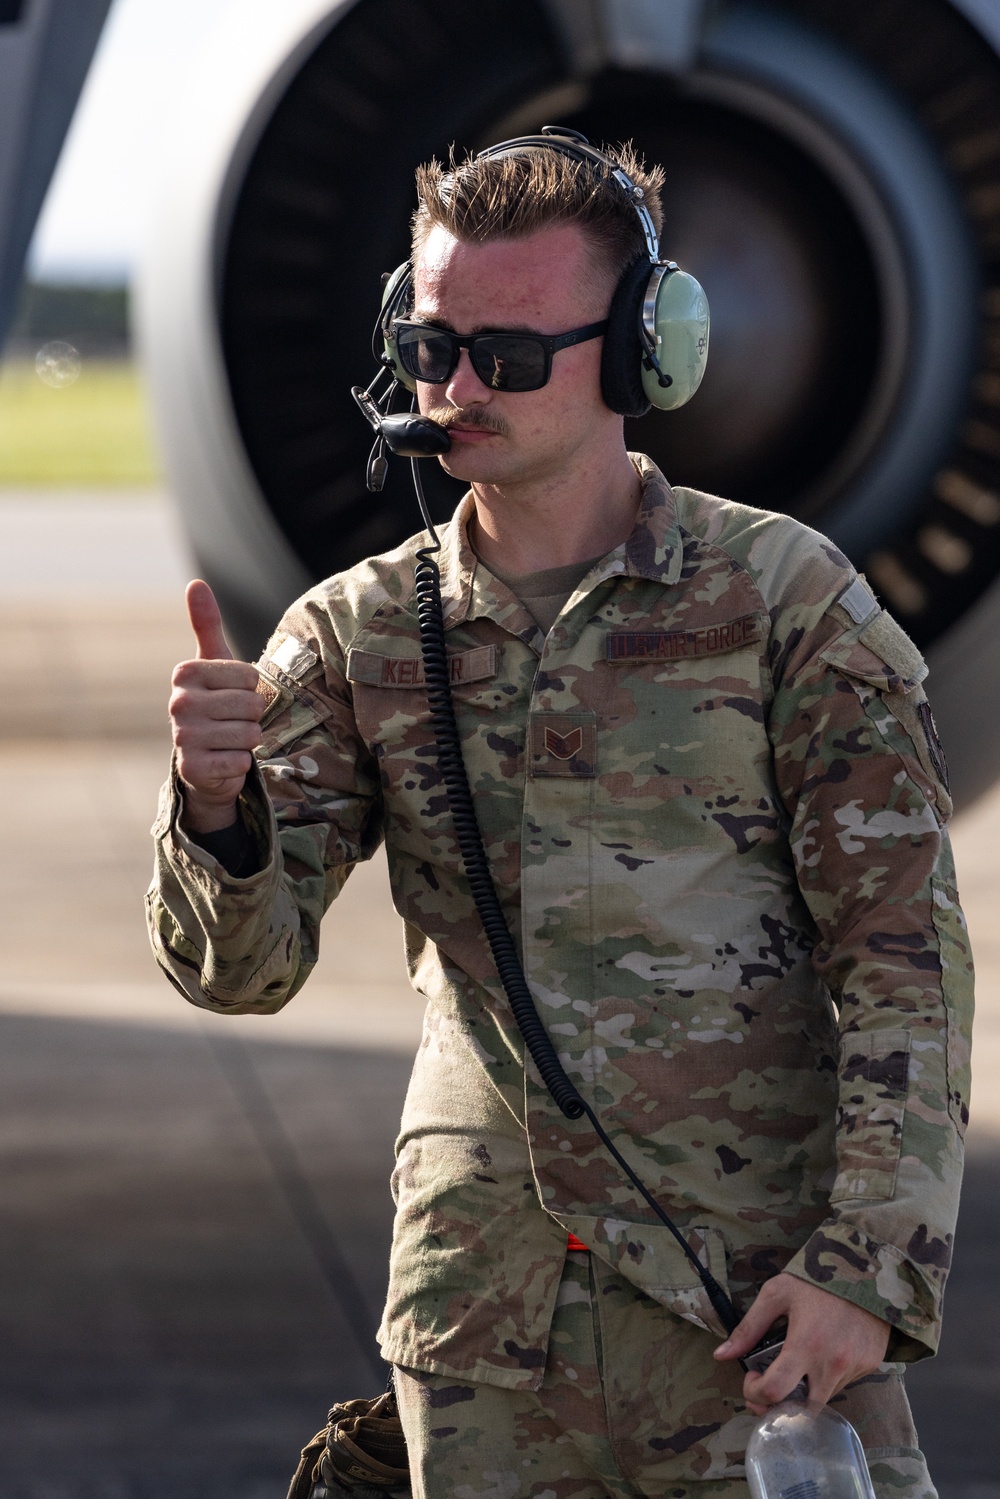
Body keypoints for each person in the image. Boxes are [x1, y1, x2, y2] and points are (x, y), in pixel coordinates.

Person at [148, 137, 973, 1499]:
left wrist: (867, 1270)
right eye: (430, 346)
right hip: (485, 1340)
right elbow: (241, 970)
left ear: (644, 354)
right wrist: (217, 808)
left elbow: (904, 968)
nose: (458, 389)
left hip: (757, 1326)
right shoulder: (353, 636)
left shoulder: (786, 603)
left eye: (511, 357)